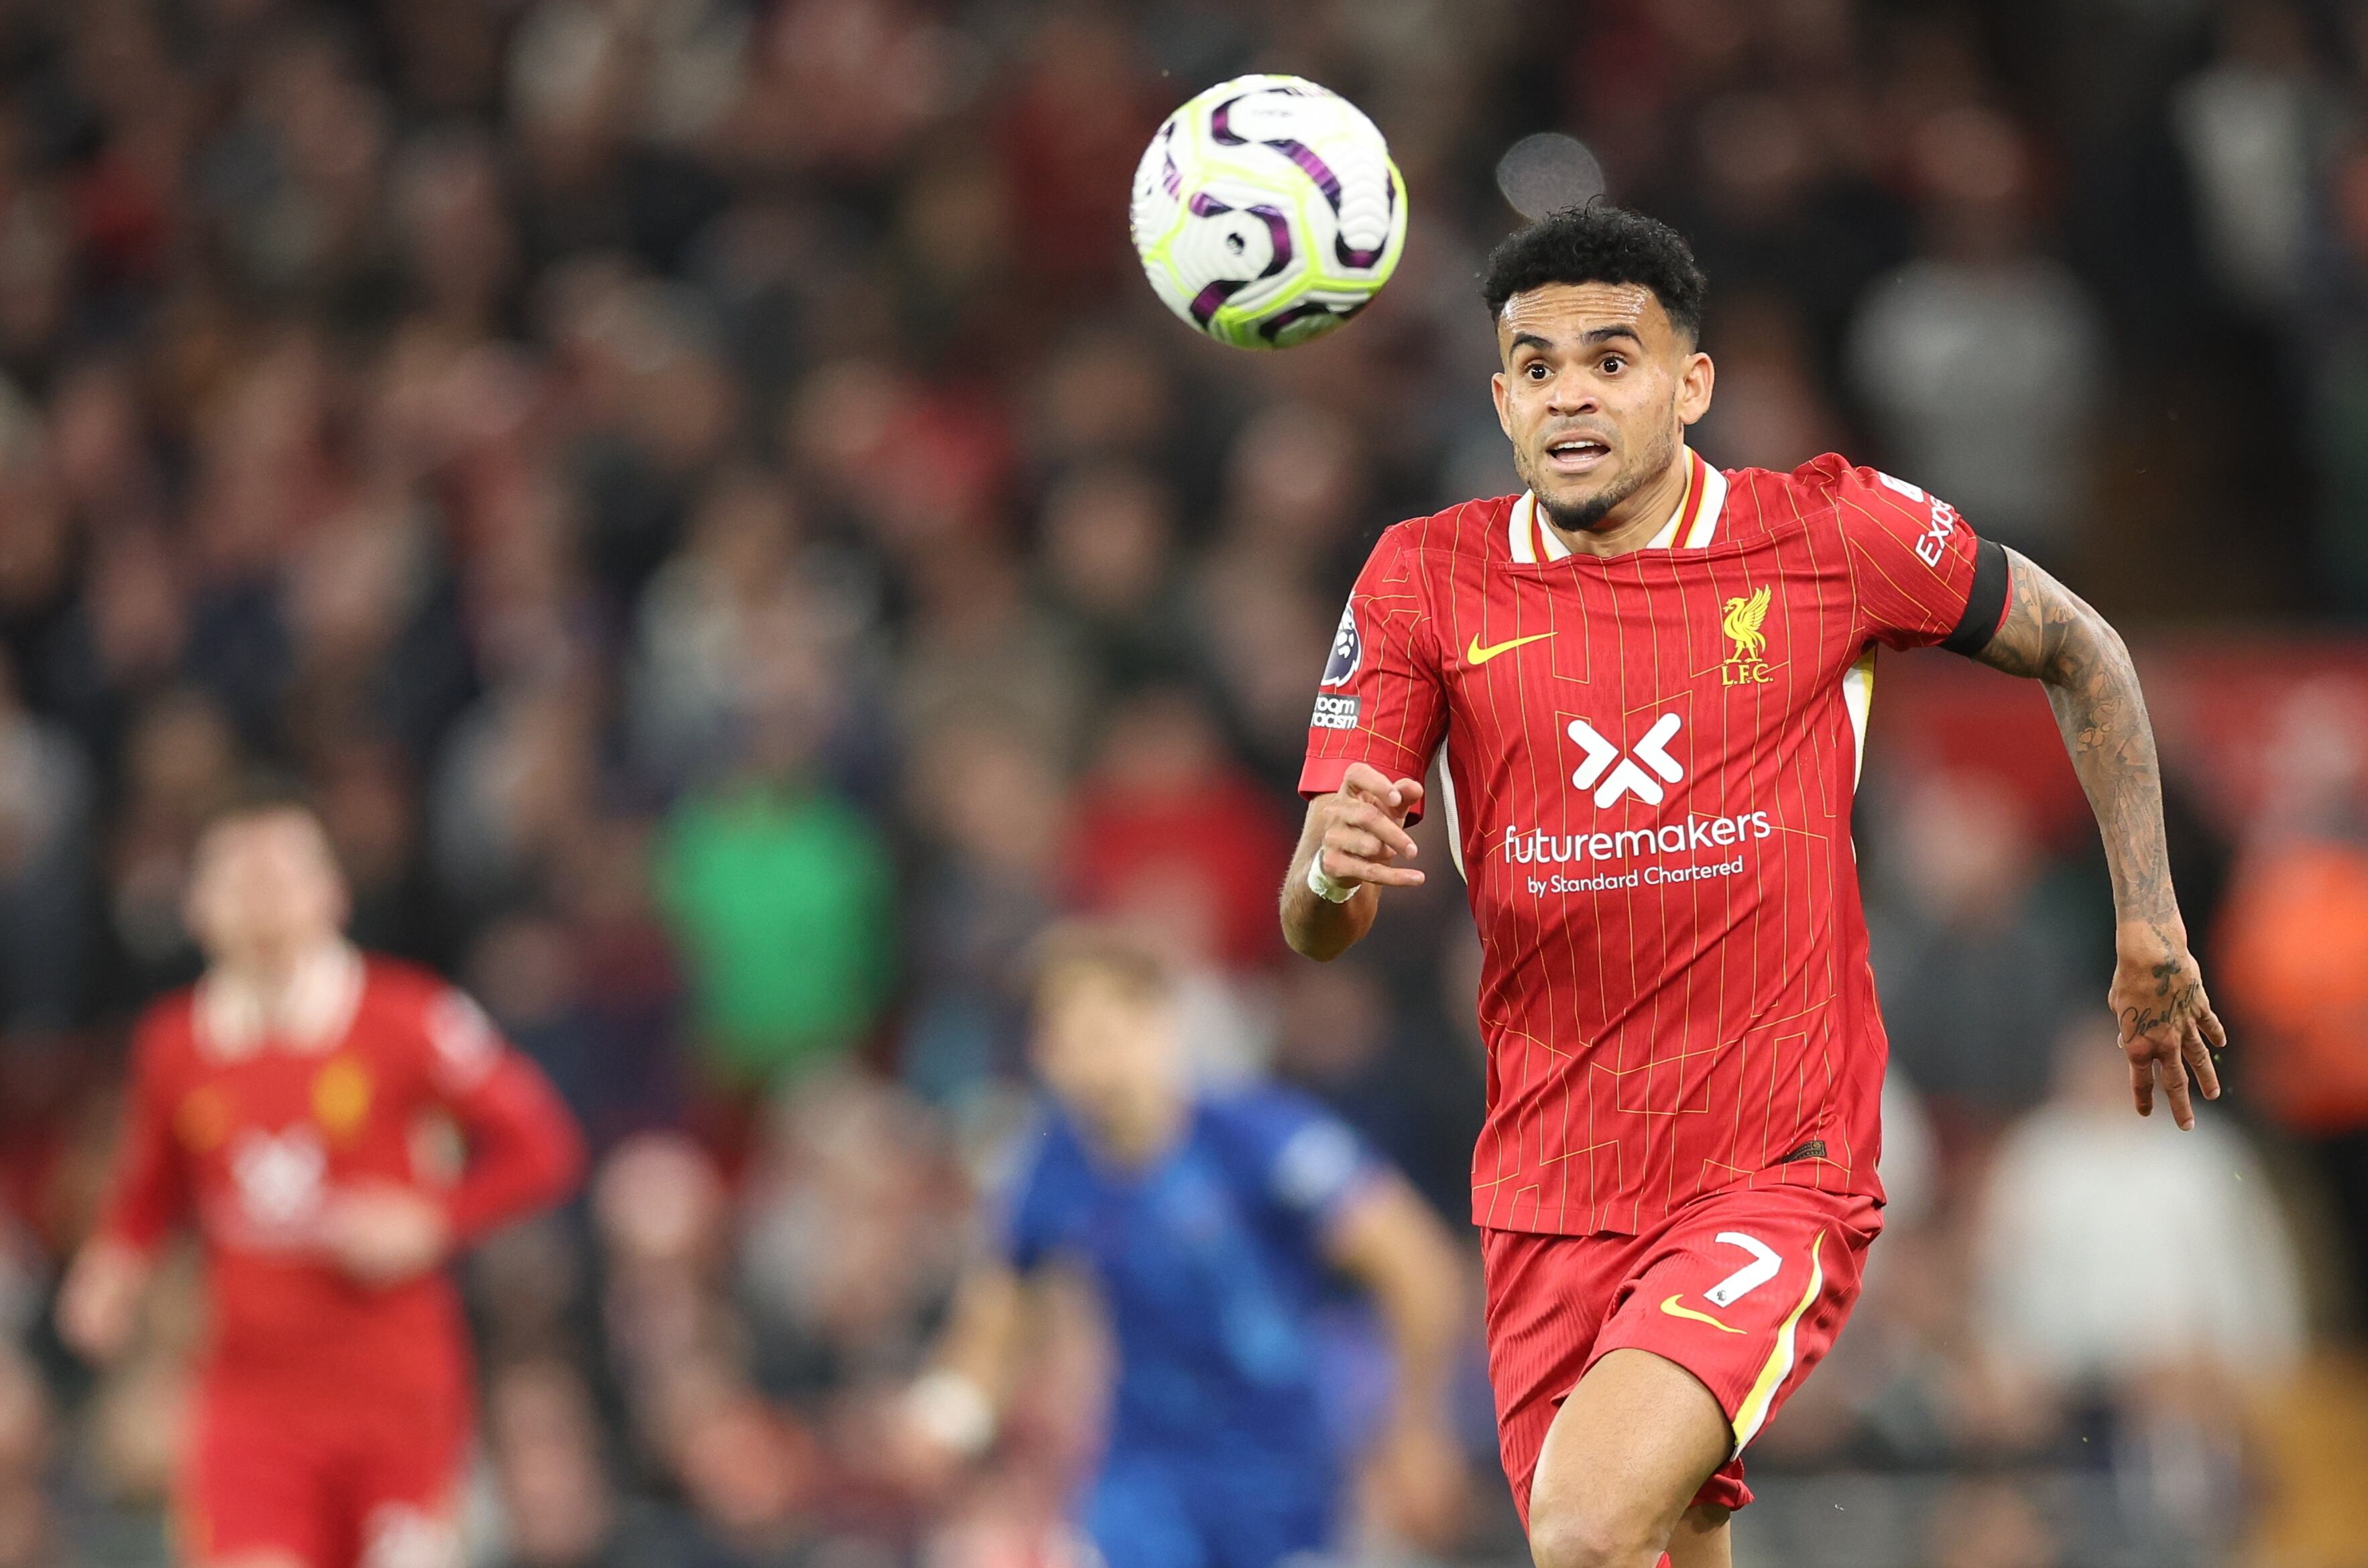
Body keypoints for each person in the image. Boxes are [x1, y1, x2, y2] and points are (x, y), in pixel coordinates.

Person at [1281, 203, 2226, 1568]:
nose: (1571, 395)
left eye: (1611, 358)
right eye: (1535, 368)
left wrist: (2145, 918)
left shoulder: (1825, 535)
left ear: (1690, 382)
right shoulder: (1423, 576)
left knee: (1584, 1524)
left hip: (1766, 1171)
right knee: (1656, 1541)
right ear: (1497, 399)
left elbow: (2082, 647)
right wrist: (1327, 864)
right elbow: (1316, 924)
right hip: (1544, 1185)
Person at [58, 790, 587, 1568]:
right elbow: (153, 1184)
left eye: (284, 870)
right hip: (254, 1394)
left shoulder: (407, 1016)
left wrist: (437, 1218)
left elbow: (543, 1145)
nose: (264, 891)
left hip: (395, 1388)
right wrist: (114, 1263)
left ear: (332, 894)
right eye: (240, 875)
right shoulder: (175, 1043)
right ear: (199, 906)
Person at [896, 922, 1469, 1568]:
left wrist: (1419, 1427)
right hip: (1145, 1479)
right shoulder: (1050, 1170)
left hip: (1288, 1473)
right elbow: (1000, 1314)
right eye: (1076, 1034)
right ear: (1045, 1053)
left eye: (1113, 1026)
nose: (1099, 1056)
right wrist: (949, 1414)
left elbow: (1415, 1266)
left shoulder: (1257, 1138)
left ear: (1161, 1025)